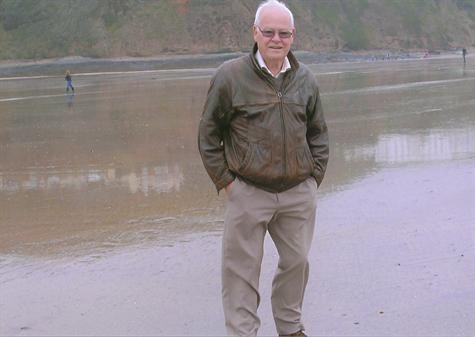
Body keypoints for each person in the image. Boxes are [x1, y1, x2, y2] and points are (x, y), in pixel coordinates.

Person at [198, 1, 329, 336]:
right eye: (268, 32)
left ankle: (290, 328)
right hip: (248, 190)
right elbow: (209, 134)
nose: (276, 39)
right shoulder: (230, 76)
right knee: (241, 271)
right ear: (255, 33)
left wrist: (314, 179)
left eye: (283, 33)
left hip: (297, 191)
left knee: (297, 262)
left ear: (293, 36)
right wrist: (228, 183)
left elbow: (318, 132)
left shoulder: (305, 79)